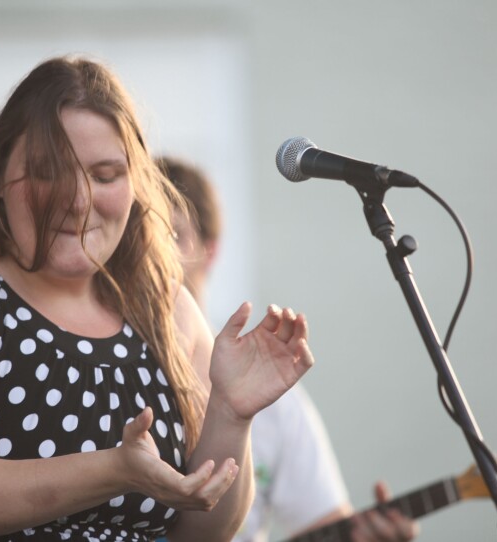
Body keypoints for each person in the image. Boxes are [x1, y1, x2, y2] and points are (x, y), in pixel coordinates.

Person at [0, 56, 316, 542]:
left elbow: (203, 532)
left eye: (105, 175)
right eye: (47, 171)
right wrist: (113, 469)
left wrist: (232, 412)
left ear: (135, 185)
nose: (78, 200)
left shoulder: (165, 309)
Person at [156, 156, 419, 542]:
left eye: (172, 235)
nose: (154, 256)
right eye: (141, 236)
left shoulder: (273, 396)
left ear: (210, 251)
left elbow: (324, 522)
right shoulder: (114, 374)